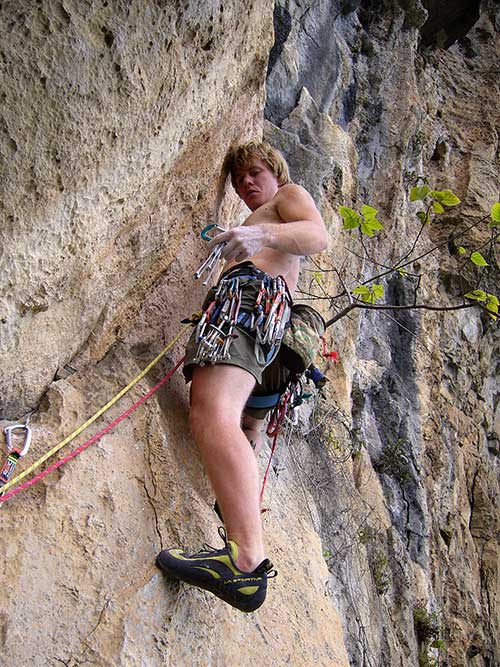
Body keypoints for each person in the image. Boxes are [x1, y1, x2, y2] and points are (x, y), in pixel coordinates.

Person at [156, 140, 327, 612]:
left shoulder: (286, 197)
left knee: (213, 415)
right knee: (225, 420)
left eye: (254, 172)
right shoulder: (258, 219)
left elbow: (317, 236)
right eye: (238, 180)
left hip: (250, 305)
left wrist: (261, 238)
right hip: (243, 310)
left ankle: (246, 562)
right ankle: (240, 538)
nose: (245, 183)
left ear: (275, 172)